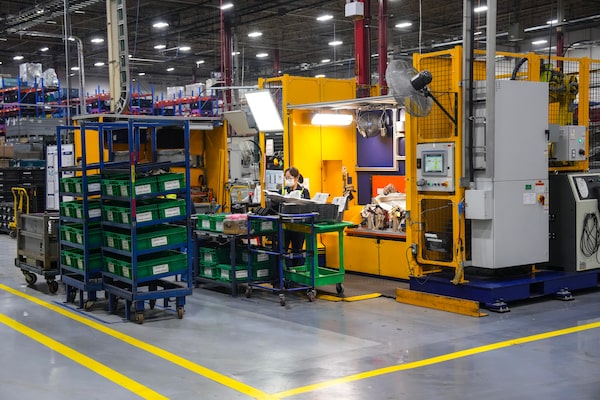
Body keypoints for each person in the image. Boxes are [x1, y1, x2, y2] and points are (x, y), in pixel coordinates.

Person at [282, 166, 310, 267]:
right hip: (285, 226)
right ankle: (285, 271)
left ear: (297, 178)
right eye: (286, 178)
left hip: (299, 226)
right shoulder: (283, 191)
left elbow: (308, 207)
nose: (287, 180)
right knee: (283, 250)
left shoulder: (304, 191)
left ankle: (297, 271)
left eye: (289, 178)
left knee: (297, 250)